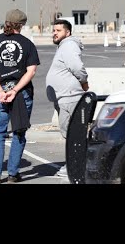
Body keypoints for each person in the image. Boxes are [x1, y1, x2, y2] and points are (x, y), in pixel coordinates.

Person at [0, 9, 40, 184]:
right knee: (19, 133)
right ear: (21, 25)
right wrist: (15, 91)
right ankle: (13, 174)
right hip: (22, 94)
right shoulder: (27, 44)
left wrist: (0, 90)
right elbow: (31, 71)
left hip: (1, 93)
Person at [45, 19, 89, 178]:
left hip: (70, 98)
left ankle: (76, 167)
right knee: (70, 134)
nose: (54, 33)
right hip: (64, 98)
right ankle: (76, 165)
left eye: (58, 30)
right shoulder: (64, 46)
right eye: (54, 30)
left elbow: (76, 67)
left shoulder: (69, 45)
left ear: (67, 32)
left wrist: (84, 81)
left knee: (72, 134)